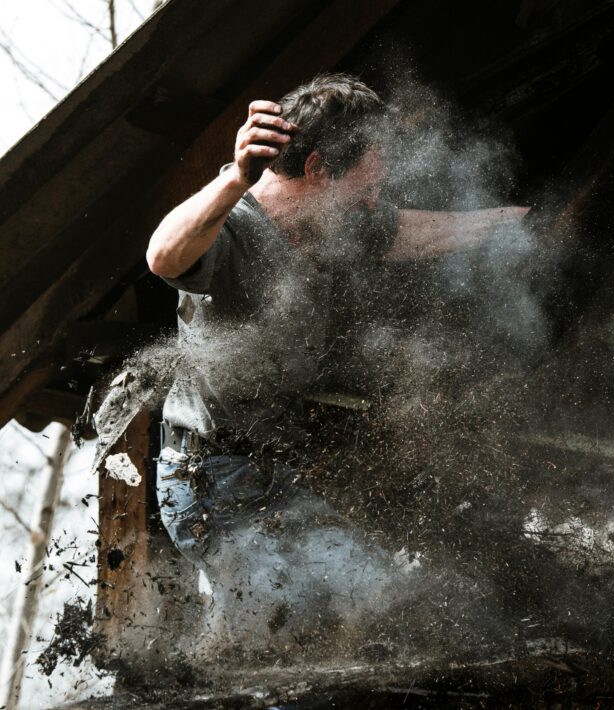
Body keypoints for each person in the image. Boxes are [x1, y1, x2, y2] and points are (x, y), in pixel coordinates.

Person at [145, 74, 528, 636]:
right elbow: (163, 256)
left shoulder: (334, 226)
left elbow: (416, 234)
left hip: (276, 473)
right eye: (366, 186)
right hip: (208, 480)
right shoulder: (235, 229)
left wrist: (518, 224)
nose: (374, 201)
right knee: (286, 628)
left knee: (378, 600)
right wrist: (234, 178)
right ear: (319, 168)